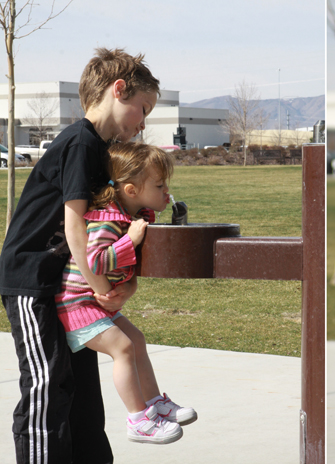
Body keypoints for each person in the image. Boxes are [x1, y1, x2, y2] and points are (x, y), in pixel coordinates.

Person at [0, 47, 160, 463]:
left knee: (84, 393)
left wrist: (118, 285)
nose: (143, 124)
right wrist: (101, 286)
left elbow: (105, 228)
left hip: (68, 283)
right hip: (32, 281)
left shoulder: (101, 150)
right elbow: (74, 225)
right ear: (118, 90)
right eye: (143, 109)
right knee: (48, 386)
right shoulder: (80, 143)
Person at [56, 141, 197, 444]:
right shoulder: (107, 221)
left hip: (95, 304)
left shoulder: (129, 214)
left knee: (137, 341)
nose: (166, 191)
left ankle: (154, 403)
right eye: (159, 185)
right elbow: (94, 261)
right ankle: (138, 420)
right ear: (131, 190)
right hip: (77, 304)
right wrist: (129, 241)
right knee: (122, 348)